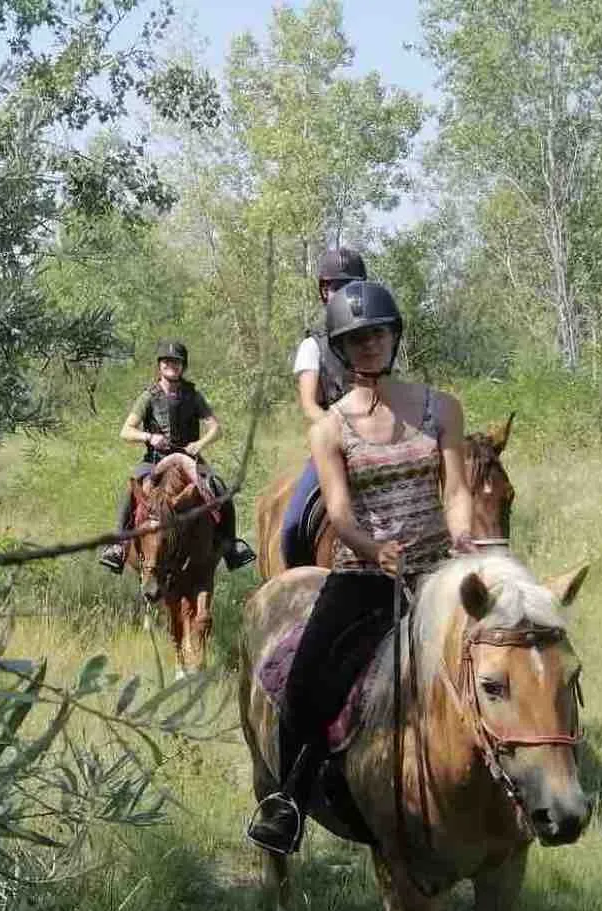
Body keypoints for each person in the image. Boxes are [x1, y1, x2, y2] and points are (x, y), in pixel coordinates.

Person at [246, 281, 477, 855]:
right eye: (356, 339)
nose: (369, 346)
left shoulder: (441, 408)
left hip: (438, 573)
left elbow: (456, 492)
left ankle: (540, 781)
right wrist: (375, 551)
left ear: (394, 335)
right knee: (303, 683)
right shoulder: (329, 428)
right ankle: (289, 799)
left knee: (520, 647)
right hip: (362, 576)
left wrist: (465, 534)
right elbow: (342, 514)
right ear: (341, 349)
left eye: (376, 334)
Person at [99, 340, 255, 574]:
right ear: (160, 365)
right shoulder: (148, 397)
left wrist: (200, 443)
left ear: (183, 366)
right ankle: (119, 547)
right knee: (132, 490)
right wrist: (149, 437)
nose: (172, 365)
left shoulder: (193, 395)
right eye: (167, 361)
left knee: (218, 486)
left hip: (188, 458)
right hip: (155, 459)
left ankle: (231, 544)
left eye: (176, 362)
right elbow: (126, 431)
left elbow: (215, 428)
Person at [280, 247, 367, 567]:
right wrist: (340, 433)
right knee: (291, 526)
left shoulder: (377, 339)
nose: (340, 293)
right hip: (333, 447)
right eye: (334, 287)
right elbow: (308, 405)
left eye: (349, 286)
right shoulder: (311, 345)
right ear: (323, 292)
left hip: (378, 440)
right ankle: (294, 588)